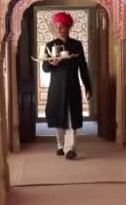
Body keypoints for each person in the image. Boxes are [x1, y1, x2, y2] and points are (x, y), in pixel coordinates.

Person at [42, 12, 92, 160]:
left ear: (68, 27)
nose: (59, 29)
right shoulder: (50, 45)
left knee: (72, 117)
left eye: (62, 27)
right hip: (56, 87)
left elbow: (83, 67)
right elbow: (45, 68)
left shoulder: (76, 45)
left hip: (72, 86)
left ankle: (70, 148)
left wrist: (88, 86)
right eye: (57, 27)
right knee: (59, 116)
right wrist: (52, 63)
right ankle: (60, 145)